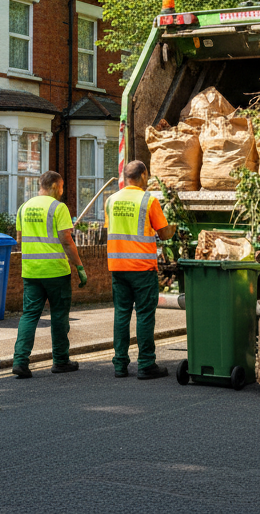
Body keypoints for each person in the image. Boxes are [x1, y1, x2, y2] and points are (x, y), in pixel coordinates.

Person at [12, 170, 88, 379]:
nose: (62, 191)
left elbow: (20, 239)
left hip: (31, 272)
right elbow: (66, 240)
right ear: (54, 186)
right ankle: (61, 361)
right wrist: (79, 267)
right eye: (62, 187)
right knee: (59, 316)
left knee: (29, 315)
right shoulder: (58, 207)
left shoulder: (23, 208)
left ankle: (20, 361)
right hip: (55, 272)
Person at [106, 160, 176, 379]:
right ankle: (146, 364)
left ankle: (120, 365)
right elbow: (163, 233)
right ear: (144, 175)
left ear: (126, 178)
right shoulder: (149, 200)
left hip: (118, 267)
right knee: (145, 315)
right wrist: (173, 227)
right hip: (142, 268)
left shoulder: (111, 200)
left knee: (121, 315)